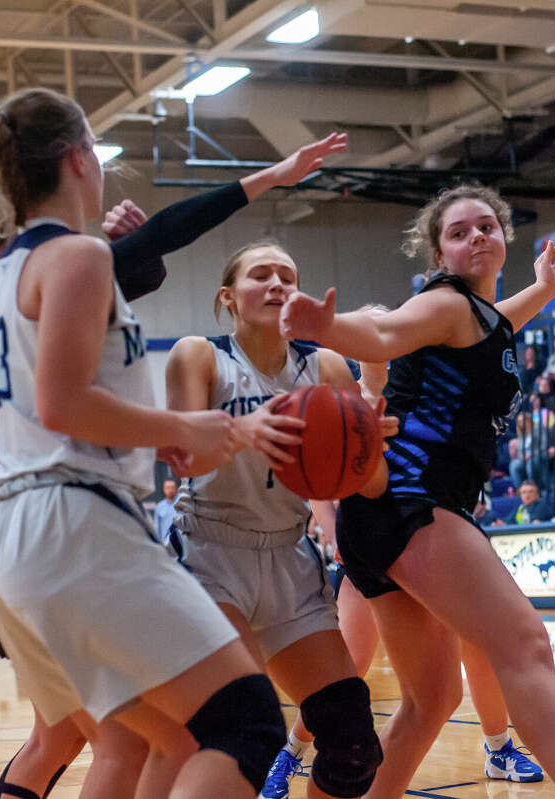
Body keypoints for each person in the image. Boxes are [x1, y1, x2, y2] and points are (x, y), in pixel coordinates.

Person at [0, 132, 349, 799]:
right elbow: (164, 234)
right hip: (61, 526)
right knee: (228, 727)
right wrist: (268, 178)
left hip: (8, 537)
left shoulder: (20, 301)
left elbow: (145, 263)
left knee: (124, 739)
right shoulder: (57, 273)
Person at [280, 184, 555, 799]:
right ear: (439, 255)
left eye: (487, 226)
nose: (477, 237)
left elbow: (498, 323)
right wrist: (326, 326)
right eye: (460, 231)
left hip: (384, 513)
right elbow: (382, 334)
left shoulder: (480, 320)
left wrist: (545, 289)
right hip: (412, 501)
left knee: (433, 697)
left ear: (503, 238)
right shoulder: (446, 304)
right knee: (523, 643)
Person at [166, 240, 388, 799]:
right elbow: (184, 453)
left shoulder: (327, 365)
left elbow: (370, 483)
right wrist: (259, 424)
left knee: (353, 743)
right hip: (208, 553)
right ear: (228, 297)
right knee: (241, 727)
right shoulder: (198, 355)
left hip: (290, 557)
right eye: (260, 274)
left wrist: (369, 440)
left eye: (287, 276)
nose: (276, 284)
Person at [154, 479, 179, 546]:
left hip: (180, 542)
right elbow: (157, 527)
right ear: (164, 489)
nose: (170, 490)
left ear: (177, 489)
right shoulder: (159, 506)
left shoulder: (181, 504)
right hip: (164, 543)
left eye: (172, 488)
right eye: (168, 488)